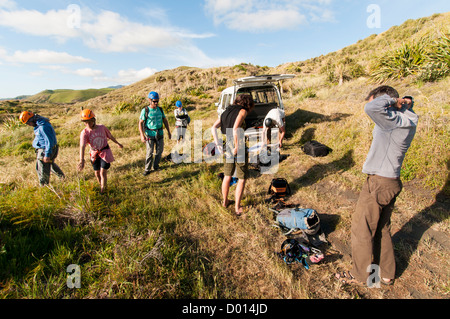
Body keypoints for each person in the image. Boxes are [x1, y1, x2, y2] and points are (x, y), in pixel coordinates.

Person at [335, 86, 418, 287]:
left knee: (361, 228)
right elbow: (404, 105)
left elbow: (371, 108)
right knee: (382, 228)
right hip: (391, 181)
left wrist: (394, 100)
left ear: (387, 101)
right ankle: (387, 274)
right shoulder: (408, 118)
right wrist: (406, 101)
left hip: (379, 182)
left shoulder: (392, 120)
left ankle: (360, 275)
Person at [211, 94, 255, 216]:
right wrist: (237, 147)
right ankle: (237, 207)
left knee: (227, 175)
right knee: (241, 178)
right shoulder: (242, 111)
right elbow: (236, 129)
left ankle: (225, 202)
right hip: (237, 145)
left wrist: (218, 143)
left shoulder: (226, 111)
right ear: (247, 103)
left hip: (227, 144)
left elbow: (214, 127)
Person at [77, 109, 123, 194]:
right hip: (94, 154)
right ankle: (101, 185)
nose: (88, 124)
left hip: (105, 152)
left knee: (103, 172)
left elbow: (110, 136)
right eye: (85, 122)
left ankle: (103, 191)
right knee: (97, 173)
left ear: (93, 120)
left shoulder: (102, 128)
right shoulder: (84, 133)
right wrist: (81, 160)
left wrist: (118, 143)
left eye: (89, 122)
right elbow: (82, 146)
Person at [19, 111, 65, 186]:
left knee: (42, 170)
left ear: (32, 120)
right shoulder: (39, 124)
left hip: (45, 150)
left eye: (28, 123)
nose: (29, 125)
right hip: (46, 149)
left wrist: (47, 154)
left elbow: (49, 141)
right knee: (50, 165)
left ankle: (44, 187)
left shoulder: (43, 126)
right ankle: (62, 177)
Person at [139, 91, 171, 175]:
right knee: (149, 152)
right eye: (154, 101)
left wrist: (169, 131)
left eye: (157, 101)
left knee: (159, 151)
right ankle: (147, 169)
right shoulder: (145, 110)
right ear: (149, 100)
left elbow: (164, 120)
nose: (156, 103)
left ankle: (156, 166)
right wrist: (142, 135)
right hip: (150, 134)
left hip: (160, 133)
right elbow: (140, 122)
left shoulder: (160, 109)